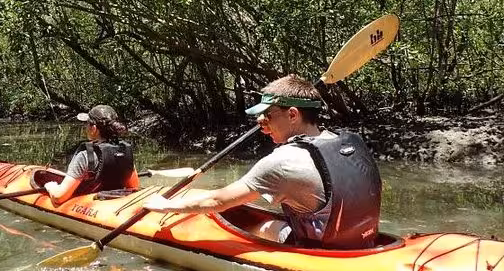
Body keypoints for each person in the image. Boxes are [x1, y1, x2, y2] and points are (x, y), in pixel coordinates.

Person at [143, 75, 381, 249]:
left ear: (292, 115)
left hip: (322, 249)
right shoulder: (349, 142)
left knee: (262, 228)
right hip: (362, 239)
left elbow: (217, 200)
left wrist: (166, 206)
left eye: (267, 115)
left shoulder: (283, 161)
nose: (260, 122)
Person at [44, 104, 139, 204]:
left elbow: (59, 197)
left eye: (87, 124)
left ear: (94, 129)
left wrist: (51, 187)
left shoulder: (85, 156)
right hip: (116, 204)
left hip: (94, 206)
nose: (85, 127)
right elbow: (134, 187)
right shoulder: (125, 151)